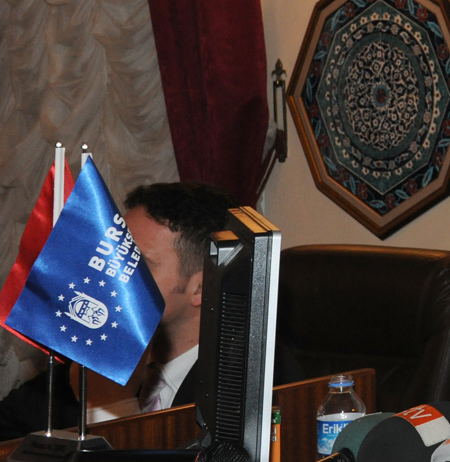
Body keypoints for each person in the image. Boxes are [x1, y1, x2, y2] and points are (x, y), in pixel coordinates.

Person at [0, 182, 297, 438]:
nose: (111, 278)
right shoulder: (98, 346)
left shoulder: (256, 380)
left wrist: (111, 409)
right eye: (113, 258)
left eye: (135, 264)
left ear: (201, 288)